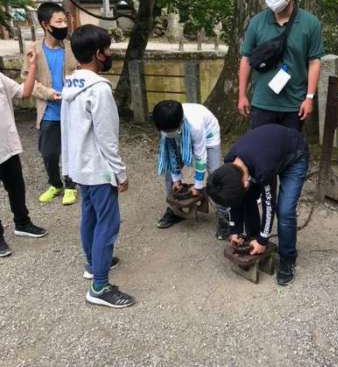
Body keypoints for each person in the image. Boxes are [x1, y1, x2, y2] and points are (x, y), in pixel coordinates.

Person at [61, 24, 135, 309]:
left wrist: (67, 167)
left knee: (89, 215)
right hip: (99, 169)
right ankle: (100, 286)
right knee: (108, 223)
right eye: (107, 49)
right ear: (96, 53)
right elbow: (107, 138)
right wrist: (121, 173)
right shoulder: (100, 90)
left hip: (80, 167)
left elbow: (66, 130)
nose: (109, 54)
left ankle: (93, 264)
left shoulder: (70, 84)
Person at [207, 124, 309, 285]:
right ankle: (252, 236)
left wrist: (263, 240)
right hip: (268, 152)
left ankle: (288, 258)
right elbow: (235, 200)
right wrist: (235, 230)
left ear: (244, 181)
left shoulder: (263, 169)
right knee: (245, 196)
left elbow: (269, 204)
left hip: (294, 155)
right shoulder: (229, 164)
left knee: (285, 211)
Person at [238, 0, 324, 131]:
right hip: (262, 102)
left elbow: (314, 61)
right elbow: (246, 59)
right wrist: (242, 96)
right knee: (261, 146)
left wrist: (309, 98)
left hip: (294, 104)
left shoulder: (310, 23)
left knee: (289, 146)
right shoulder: (257, 22)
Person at [21, 2, 78, 206]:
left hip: (71, 109)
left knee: (72, 150)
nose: (64, 25)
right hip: (48, 112)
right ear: (46, 25)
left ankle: (71, 186)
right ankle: (55, 184)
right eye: (59, 22)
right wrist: (47, 93)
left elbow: (80, 72)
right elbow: (26, 79)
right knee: (49, 153)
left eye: (65, 21)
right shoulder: (34, 50)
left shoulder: (71, 47)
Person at [153, 100, 230, 239]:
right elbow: (171, 154)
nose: (166, 133)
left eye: (169, 131)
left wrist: (198, 186)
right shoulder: (165, 122)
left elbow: (200, 157)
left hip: (208, 133)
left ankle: (224, 217)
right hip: (179, 133)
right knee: (169, 174)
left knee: (215, 175)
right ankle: (175, 211)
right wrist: (176, 179)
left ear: (180, 123)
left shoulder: (195, 125)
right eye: (165, 131)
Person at [0, 49, 47, 257]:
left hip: (7, 146)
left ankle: (22, 222)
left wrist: (32, 65)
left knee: (17, 187)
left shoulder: (0, 79)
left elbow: (24, 92)